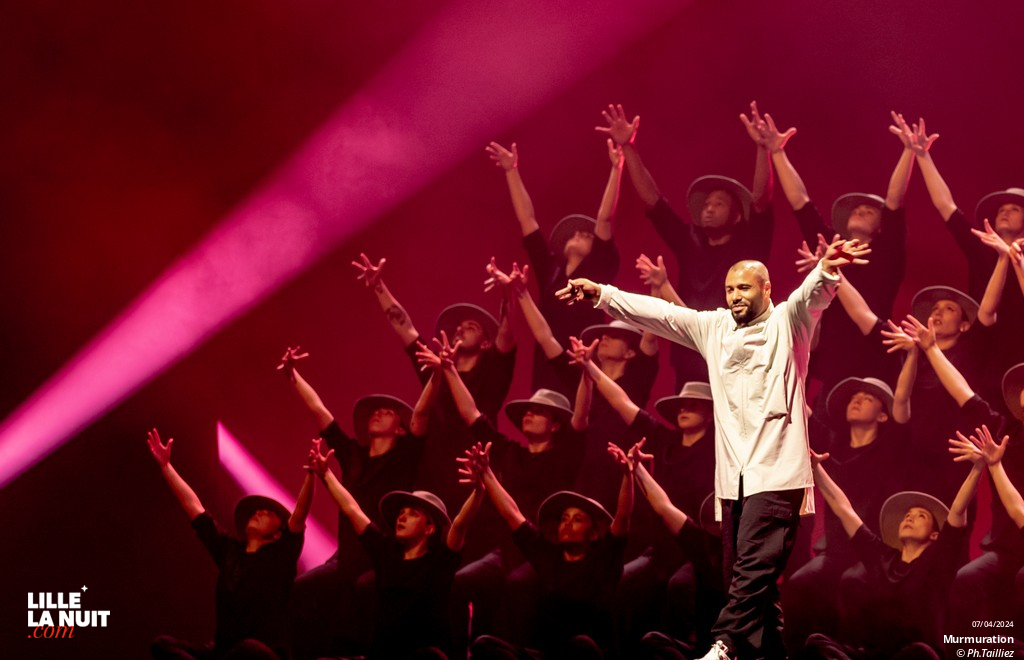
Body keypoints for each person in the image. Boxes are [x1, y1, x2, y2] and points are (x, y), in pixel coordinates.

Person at [557, 237, 870, 660]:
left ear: (766, 290)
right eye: (730, 290)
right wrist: (604, 294)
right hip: (733, 483)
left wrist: (827, 269)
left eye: (745, 288)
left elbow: (811, 295)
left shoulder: (787, 323)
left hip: (777, 475)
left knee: (752, 572)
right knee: (752, 588)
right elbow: (663, 315)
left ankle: (723, 644)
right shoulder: (715, 328)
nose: (736, 296)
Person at [597, 102, 774, 387]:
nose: (709, 208)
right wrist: (629, 147)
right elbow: (653, 201)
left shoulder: (749, 246)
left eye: (719, 204)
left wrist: (764, 149)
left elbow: (761, 201)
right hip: (689, 356)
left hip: (736, 354)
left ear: (737, 214)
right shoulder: (690, 241)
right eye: (706, 204)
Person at [276, 347, 423, 657]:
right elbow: (321, 413)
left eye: (387, 411)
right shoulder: (352, 453)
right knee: (302, 590)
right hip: (347, 555)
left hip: (383, 557)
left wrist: (436, 373)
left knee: (361, 598)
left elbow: (422, 416)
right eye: (375, 410)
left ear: (399, 429)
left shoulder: (405, 456)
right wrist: (293, 376)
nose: (377, 412)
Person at [762, 110, 913, 394]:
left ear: (881, 228)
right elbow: (801, 203)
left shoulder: (887, 254)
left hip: (870, 351)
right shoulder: (831, 247)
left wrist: (909, 151)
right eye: (856, 208)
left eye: (870, 211)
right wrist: (777, 152)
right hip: (831, 356)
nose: (861, 209)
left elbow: (895, 201)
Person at [806, 435, 983, 660]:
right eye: (907, 515)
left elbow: (957, 512)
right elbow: (844, 509)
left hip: (917, 654)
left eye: (921, 516)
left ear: (935, 534)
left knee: (921, 653)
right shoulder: (881, 556)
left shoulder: (938, 562)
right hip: (875, 655)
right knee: (817, 643)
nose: (910, 518)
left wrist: (978, 467)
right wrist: (816, 470)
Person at [306, 438, 483, 660]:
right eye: (402, 512)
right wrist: (326, 474)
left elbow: (459, 525)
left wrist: (478, 490)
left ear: (430, 529)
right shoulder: (386, 553)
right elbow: (352, 510)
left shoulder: (440, 561)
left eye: (413, 514)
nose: (402, 516)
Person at [146, 429, 313, 660]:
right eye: (257, 511)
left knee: (249, 649)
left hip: (262, 654)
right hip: (223, 653)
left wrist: (312, 475)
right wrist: (166, 467)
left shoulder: (280, 556)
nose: (259, 512)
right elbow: (196, 510)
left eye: (269, 514)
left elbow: (299, 518)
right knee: (162, 645)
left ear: (277, 534)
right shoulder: (229, 551)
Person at [464, 441, 633, 659]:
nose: (568, 523)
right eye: (564, 518)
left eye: (577, 519)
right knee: (484, 644)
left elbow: (623, 518)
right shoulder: (548, 556)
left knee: (580, 645)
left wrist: (627, 476)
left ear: (593, 533)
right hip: (547, 654)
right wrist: (486, 473)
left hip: (589, 654)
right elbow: (512, 514)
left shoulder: (603, 558)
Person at [485, 139, 623, 393]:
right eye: (573, 233)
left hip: (583, 358)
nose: (579, 234)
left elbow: (604, 218)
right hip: (546, 356)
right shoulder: (551, 271)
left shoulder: (598, 270)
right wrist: (511, 170)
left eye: (586, 234)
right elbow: (527, 219)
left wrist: (616, 169)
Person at [781, 377, 904, 653]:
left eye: (868, 398)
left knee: (853, 582)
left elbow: (904, 411)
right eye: (853, 397)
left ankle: (852, 652)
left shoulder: (892, 452)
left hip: (873, 552)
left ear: (883, 415)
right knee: (800, 583)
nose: (857, 400)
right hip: (835, 551)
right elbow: (802, 413)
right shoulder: (831, 448)